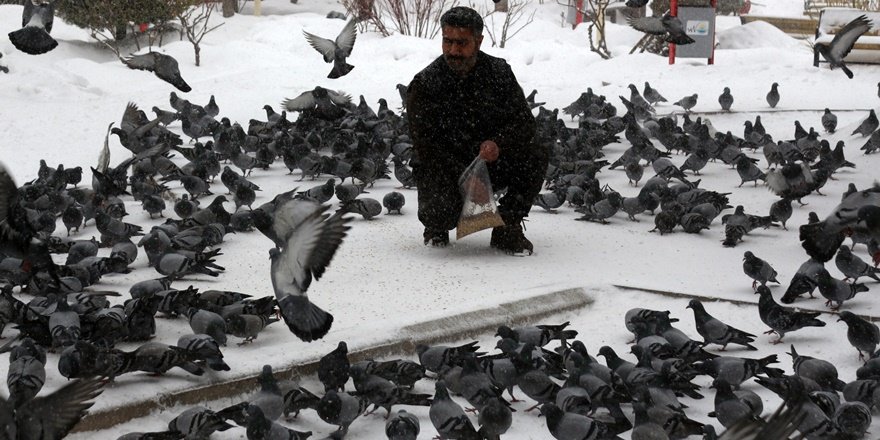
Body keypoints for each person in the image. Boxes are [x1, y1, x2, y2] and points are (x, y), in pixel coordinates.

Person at [405, 6, 549, 255]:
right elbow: (425, 145)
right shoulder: (425, 83)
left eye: (461, 43)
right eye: (447, 41)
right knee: (440, 214)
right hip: (444, 167)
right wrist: (466, 176)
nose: (453, 50)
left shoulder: (499, 73)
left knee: (537, 153)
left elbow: (524, 124)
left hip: (489, 161)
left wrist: (498, 143)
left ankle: (508, 225)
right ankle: (436, 226)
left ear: (479, 41)